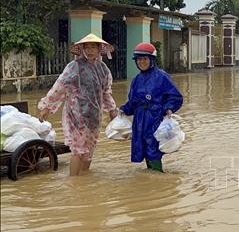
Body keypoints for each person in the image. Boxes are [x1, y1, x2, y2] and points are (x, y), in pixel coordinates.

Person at [38, 33, 118, 176]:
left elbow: (106, 92)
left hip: (94, 116)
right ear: (81, 49)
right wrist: (46, 107)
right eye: (86, 47)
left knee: (89, 149)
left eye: (93, 47)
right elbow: (60, 86)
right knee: (78, 148)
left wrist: (112, 111)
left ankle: (84, 183)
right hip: (76, 114)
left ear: (99, 49)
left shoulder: (103, 69)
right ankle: (74, 184)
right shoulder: (75, 66)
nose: (89, 50)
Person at [119, 42, 183, 172]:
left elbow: (175, 96)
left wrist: (169, 108)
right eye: (139, 59)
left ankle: (157, 176)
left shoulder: (161, 76)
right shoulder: (136, 79)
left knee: (153, 148)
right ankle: (151, 177)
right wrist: (123, 109)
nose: (141, 62)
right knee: (142, 147)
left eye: (144, 59)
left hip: (155, 117)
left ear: (152, 60)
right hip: (140, 120)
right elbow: (133, 102)